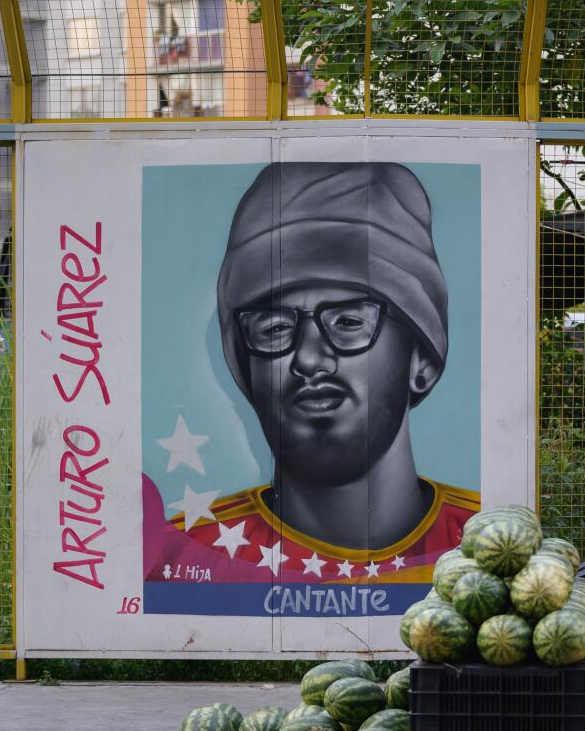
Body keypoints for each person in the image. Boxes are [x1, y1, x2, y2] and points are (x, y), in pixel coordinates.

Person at [159, 162, 478, 582]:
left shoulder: (484, 546)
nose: (309, 359)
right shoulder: (184, 557)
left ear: (422, 360)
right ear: (247, 371)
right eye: (274, 328)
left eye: (348, 322)